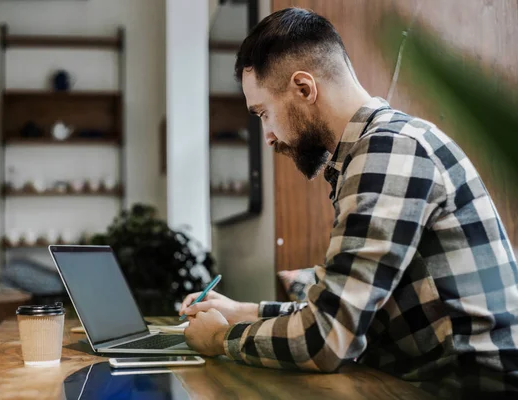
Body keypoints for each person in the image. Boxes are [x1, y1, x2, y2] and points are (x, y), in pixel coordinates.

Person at [180, 7, 518, 399]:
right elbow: (341, 311)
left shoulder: (388, 152)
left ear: (304, 88)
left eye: (263, 113)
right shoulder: (373, 150)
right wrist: (247, 312)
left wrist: (222, 337)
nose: (268, 135)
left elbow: (326, 338)